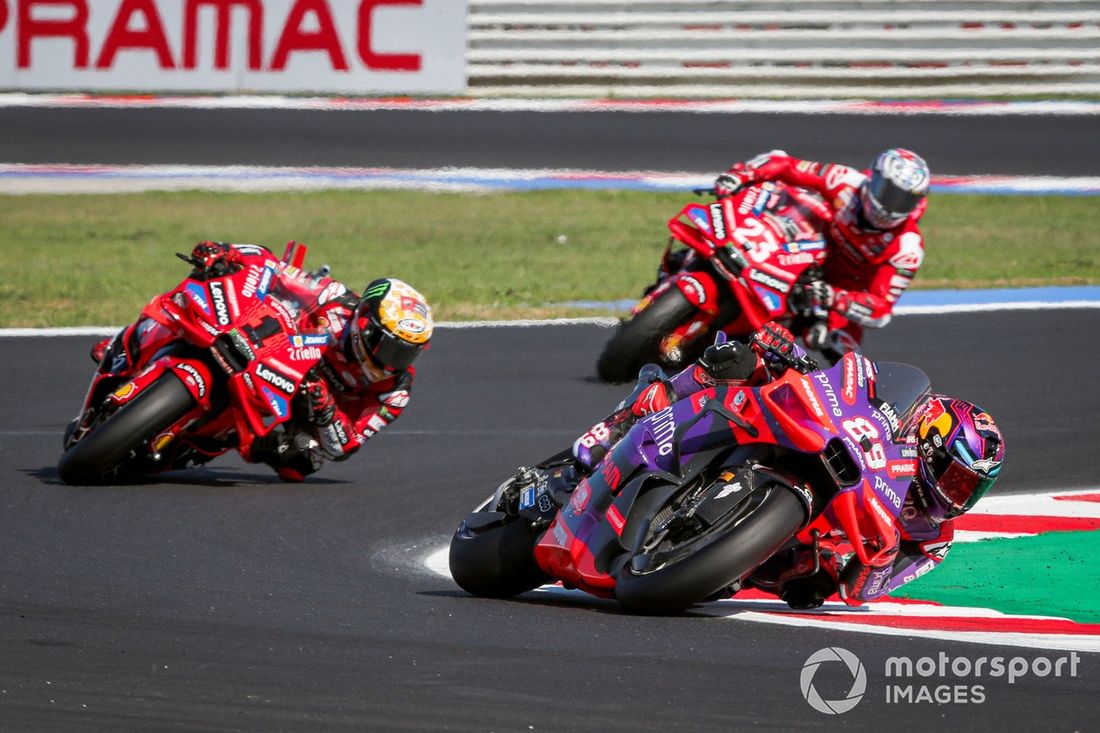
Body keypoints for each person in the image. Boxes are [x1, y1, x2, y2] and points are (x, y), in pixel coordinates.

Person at [572, 322, 1005, 610]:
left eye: (971, 488)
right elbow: (850, 382)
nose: (958, 494)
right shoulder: (895, 424)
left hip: (794, 550)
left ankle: (693, 549)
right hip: (814, 446)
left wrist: (858, 566)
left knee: (805, 586)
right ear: (929, 444)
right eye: (957, 477)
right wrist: (792, 355)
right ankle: (632, 416)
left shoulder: (933, 537)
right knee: (742, 360)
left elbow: (862, 591)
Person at [90, 241, 433, 482]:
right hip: (267, 350)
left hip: (297, 407)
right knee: (193, 297)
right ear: (363, 324)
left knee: (301, 461)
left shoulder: (396, 390)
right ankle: (128, 343)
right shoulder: (333, 299)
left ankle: (200, 443)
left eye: (406, 353)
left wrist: (326, 410)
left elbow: (345, 446)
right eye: (389, 347)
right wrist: (228, 253)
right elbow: (273, 267)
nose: (393, 362)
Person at [713, 148, 931, 362]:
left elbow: (881, 310)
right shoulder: (844, 181)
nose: (890, 205)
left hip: (834, 296)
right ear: (874, 178)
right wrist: (742, 174)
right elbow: (785, 165)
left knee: (843, 352)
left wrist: (836, 298)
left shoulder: (907, 248)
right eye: (888, 192)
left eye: (903, 200)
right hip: (800, 254)